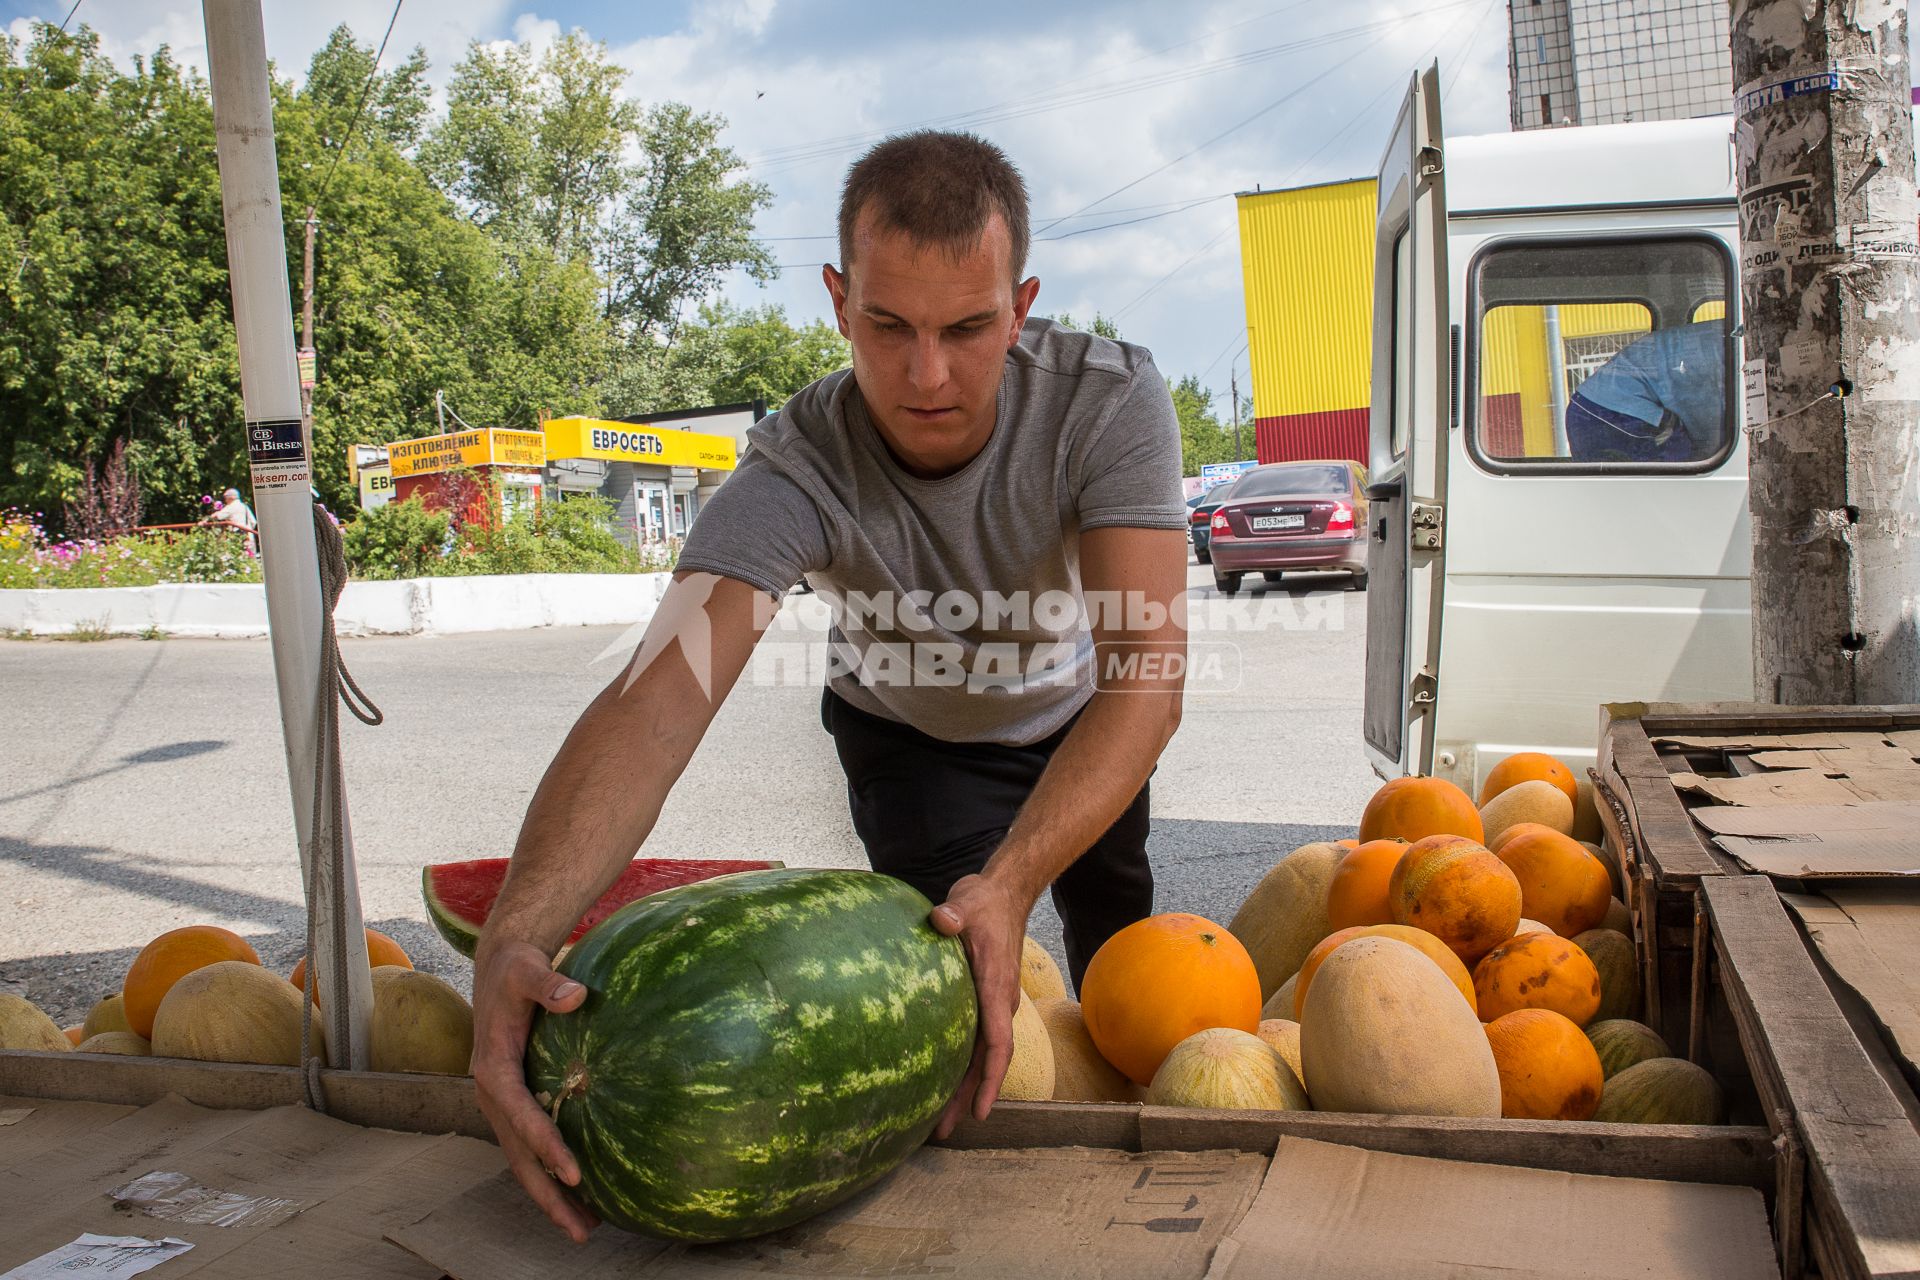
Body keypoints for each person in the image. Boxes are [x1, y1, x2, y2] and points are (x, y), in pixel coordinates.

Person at [470, 130, 1189, 1241]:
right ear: (838, 302)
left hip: (1082, 712)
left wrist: (1020, 875)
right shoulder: (796, 460)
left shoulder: (1108, 398)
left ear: (1024, 303)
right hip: (907, 732)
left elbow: (1147, 674)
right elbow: (658, 694)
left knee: (1121, 955)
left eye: (968, 327)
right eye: (889, 326)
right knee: (942, 1007)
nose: (927, 374)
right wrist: (516, 930)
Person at [1564, 319, 1728, 463]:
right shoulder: (1722, 348)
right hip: (1608, 413)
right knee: (1678, 470)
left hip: (1589, 407)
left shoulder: (1714, 336)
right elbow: (1710, 424)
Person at [208, 487, 257, 553]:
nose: (225, 500)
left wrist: (213, 515)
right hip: (248, 536)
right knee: (250, 558)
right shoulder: (245, 506)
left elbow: (219, 516)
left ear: (231, 497)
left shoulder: (231, 506)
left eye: (226, 498)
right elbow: (253, 521)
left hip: (237, 537)